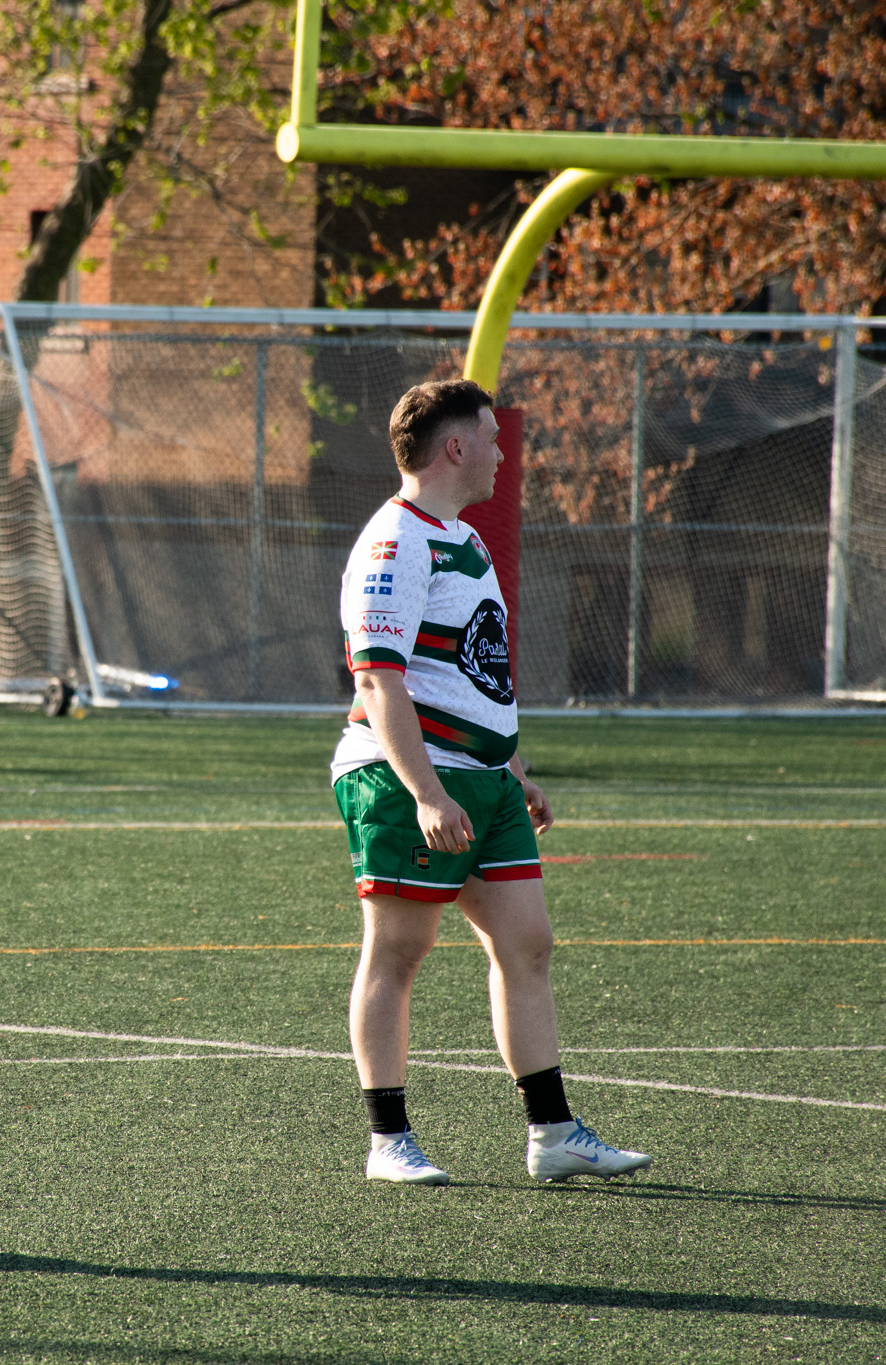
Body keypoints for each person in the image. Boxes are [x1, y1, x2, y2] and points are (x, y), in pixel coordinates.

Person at [334, 379, 650, 1187]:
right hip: (408, 776)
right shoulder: (395, 541)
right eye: (492, 436)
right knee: (400, 948)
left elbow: (470, 669)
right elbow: (379, 681)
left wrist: (514, 767)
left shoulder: (463, 540)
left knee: (526, 942)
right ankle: (387, 1140)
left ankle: (553, 1131)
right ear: (455, 447)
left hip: (485, 779)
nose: (504, 451)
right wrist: (426, 792)